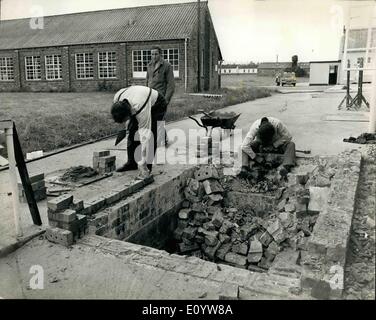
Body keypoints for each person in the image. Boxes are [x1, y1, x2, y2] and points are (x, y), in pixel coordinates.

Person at [111, 85, 167, 177]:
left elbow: (145, 136)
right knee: (132, 132)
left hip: (157, 104)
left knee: (152, 135)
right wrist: (127, 125)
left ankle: (147, 167)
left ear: (129, 113)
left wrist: (143, 160)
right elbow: (126, 116)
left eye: (126, 119)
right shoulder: (118, 97)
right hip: (138, 98)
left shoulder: (140, 107)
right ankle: (131, 163)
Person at [146, 46, 175, 145]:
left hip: (160, 97)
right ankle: (161, 139)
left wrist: (166, 100)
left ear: (160, 54)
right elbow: (147, 81)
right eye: (152, 54)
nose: (154, 56)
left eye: (156, 54)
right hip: (150, 97)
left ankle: (161, 139)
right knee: (151, 118)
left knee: (159, 118)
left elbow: (171, 85)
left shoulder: (167, 66)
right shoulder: (149, 65)